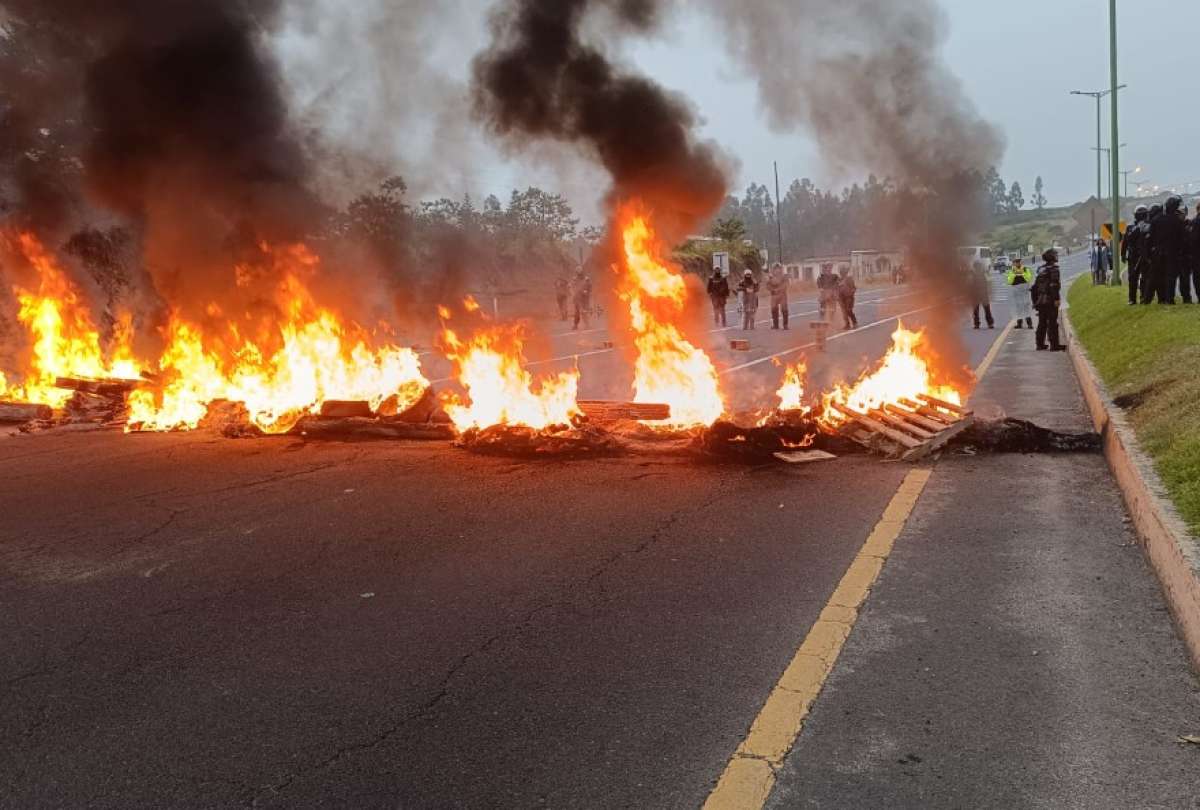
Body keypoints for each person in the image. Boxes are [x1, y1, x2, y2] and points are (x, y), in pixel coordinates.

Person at [1150, 196, 1189, 304]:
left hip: (1158, 253)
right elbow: (1183, 238)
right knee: (1170, 277)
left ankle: (1159, 298)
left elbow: (1151, 237)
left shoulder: (1156, 220)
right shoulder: (1177, 221)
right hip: (1173, 253)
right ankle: (1169, 299)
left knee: (1159, 276)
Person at [1032, 248, 1064, 351]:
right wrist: (1056, 299)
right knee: (1052, 323)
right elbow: (1054, 286)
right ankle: (1054, 345)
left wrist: (1035, 302)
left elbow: (1034, 288)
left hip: (1040, 300)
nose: (1057, 256)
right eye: (1055, 254)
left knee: (1042, 322)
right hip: (1050, 299)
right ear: (1052, 257)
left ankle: (1039, 344)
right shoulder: (1054, 269)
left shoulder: (1041, 269)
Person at [1122, 205, 1151, 305]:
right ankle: (1132, 299)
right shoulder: (1131, 227)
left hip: (1145, 255)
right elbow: (1126, 240)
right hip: (1133, 256)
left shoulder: (1149, 226)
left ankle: (1143, 297)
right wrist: (1123, 254)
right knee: (1133, 278)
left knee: (1145, 277)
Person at [1007, 257, 1034, 329]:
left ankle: (1029, 324)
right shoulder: (1012, 271)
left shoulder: (1026, 269)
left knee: (1026, 307)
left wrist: (1022, 274)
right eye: (1016, 262)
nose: (1017, 264)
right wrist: (1014, 274)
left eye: (1018, 262)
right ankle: (1019, 324)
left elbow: (1029, 278)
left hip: (1024, 291)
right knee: (1018, 307)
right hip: (1016, 292)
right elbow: (1009, 281)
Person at [766, 263, 791, 330]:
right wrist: (772, 290)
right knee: (774, 309)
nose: (777, 270)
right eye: (775, 268)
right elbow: (768, 285)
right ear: (773, 269)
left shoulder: (784, 276)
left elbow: (786, 284)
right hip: (774, 295)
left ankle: (785, 325)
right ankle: (775, 325)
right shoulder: (770, 277)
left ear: (780, 269)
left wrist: (779, 289)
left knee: (784, 309)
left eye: (778, 268)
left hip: (782, 294)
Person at [970, 262, 994, 329]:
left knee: (978, 311)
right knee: (985, 310)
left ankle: (978, 324)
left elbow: (989, 283)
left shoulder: (974, 274)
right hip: (980, 294)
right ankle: (989, 324)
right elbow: (989, 282)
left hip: (979, 294)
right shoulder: (981, 273)